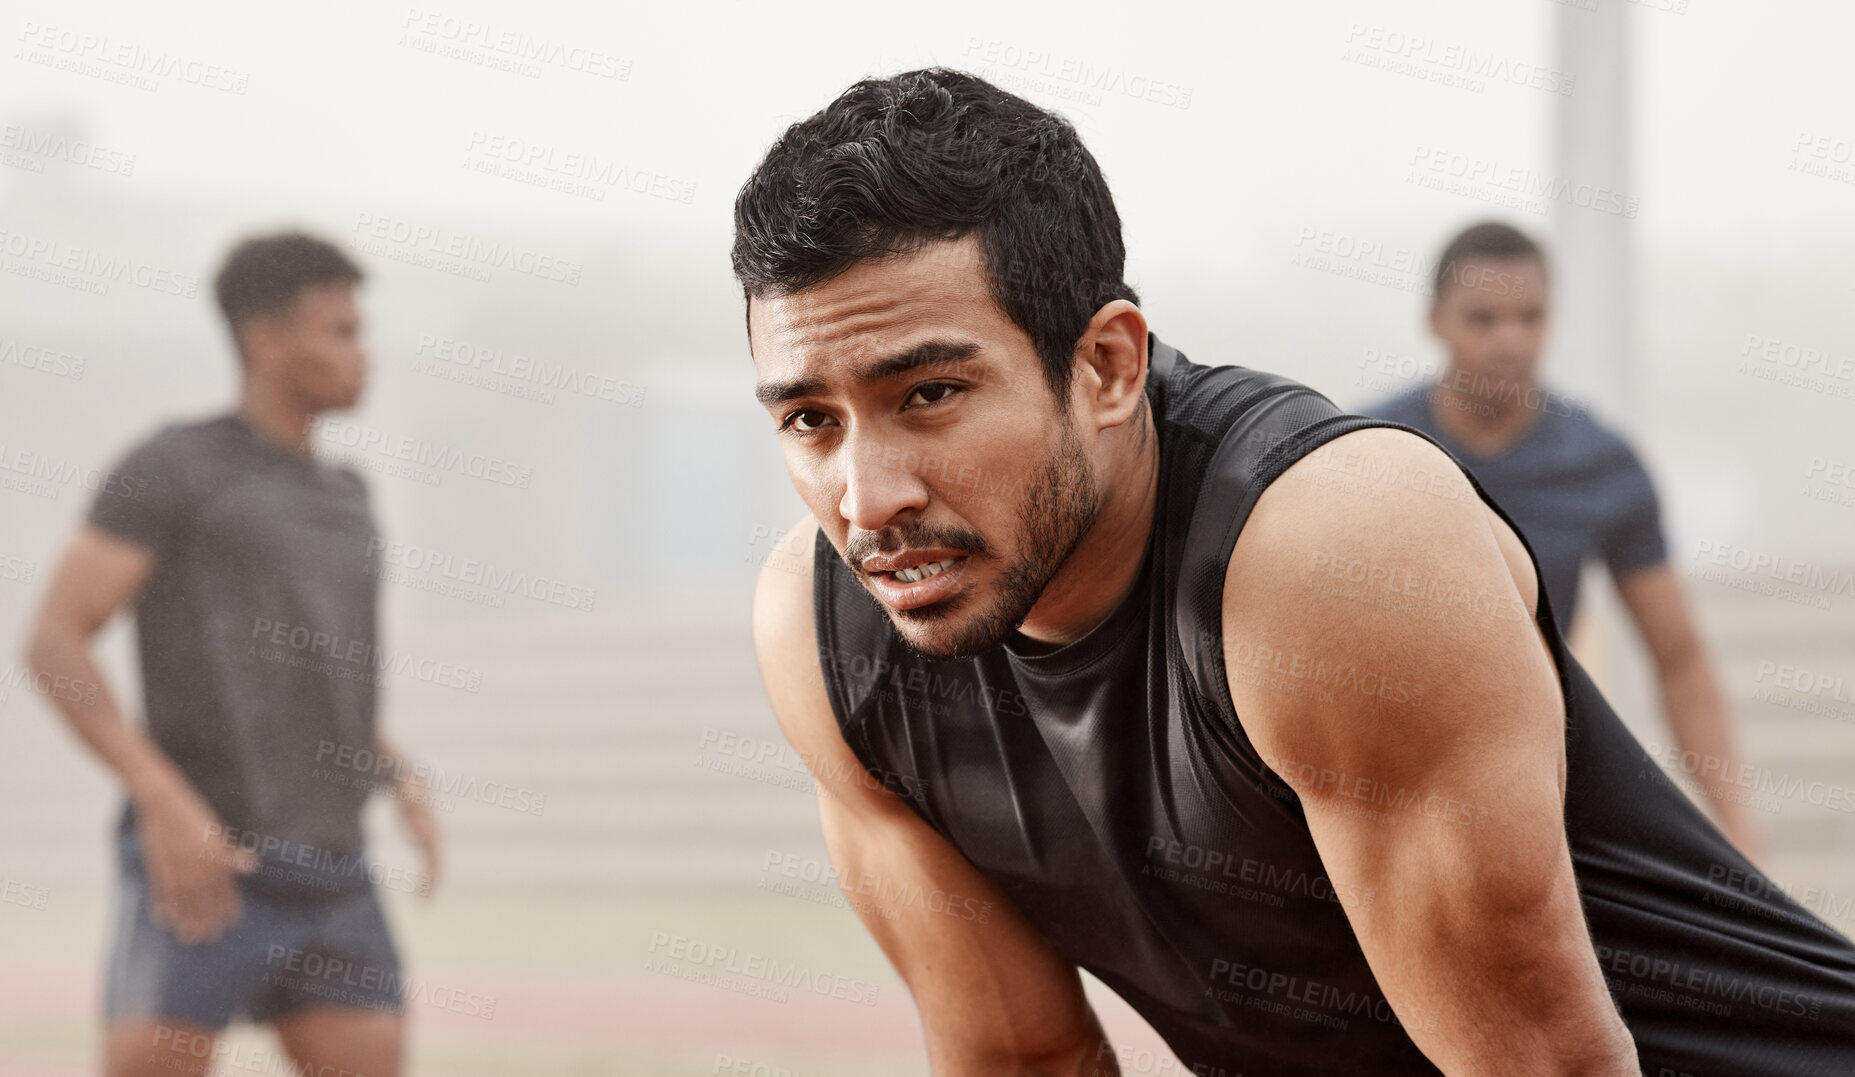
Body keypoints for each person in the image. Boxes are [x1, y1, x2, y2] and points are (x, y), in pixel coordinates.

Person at [736, 69, 1855, 1076]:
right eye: (807, 419)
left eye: (928, 394)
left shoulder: (1328, 554)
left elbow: (1543, 1069)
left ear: (1108, 366)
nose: (865, 497)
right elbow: (1021, 1061)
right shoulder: (827, 635)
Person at [23, 232, 437, 1077]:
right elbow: (53, 640)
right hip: (204, 868)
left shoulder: (347, 495)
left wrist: (397, 771)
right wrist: (163, 800)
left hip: (331, 868)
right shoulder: (173, 466)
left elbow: (324, 677)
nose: (365, 355)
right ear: (266, 341)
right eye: (341, 332)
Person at [1360, 221, 1761, 859]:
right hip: (1385, 775)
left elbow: (1680, 659)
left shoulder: (1602, 463)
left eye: (1530, 317)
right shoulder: (1370, 449)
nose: (1510, 339)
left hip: (1542, 775)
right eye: (1483, 319)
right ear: (1436, 320)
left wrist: (1741, 836)